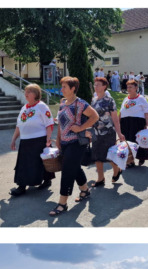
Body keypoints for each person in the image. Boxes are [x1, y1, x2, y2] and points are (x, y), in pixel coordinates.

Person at [49, 76, 98, 217]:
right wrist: (58, 139)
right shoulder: (63, 103)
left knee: (67, 171)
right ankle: (85, 190)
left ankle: (62, 203)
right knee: (74, 167)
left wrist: (81, 127)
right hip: (64, 142)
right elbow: (60, 123)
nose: (61, 89)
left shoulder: (81, 103)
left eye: (64, 87)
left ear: (73, 89)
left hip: (77, 142)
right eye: (62, 86)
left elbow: (94, 117)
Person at [7, 85, 55, 196]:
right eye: (25, 91)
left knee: (40, 163)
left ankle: (46, 181)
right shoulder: (24, 108)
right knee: (23, 165)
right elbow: (18, 126)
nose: (26, 94)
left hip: (39, 140)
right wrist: (13, 140)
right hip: (25, 141)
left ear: (35, 94)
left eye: (29, 91)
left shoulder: (42, 106)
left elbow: (49, 124)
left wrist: (48, 140)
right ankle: (22, 185)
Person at [90, 76, 126, 186]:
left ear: (104, 86)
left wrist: (119, 133)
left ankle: (117, 170)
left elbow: (115, 118)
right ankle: (100, 178)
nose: (95, 87)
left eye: (98, 85)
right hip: (96, 132)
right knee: (96, 155)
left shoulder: (109, 100)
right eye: (95, 84)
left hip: (108, 132)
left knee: (109, 155)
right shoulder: (94, 100)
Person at [119, 80, 148, 167]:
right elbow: (121, 112)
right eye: (128, 87)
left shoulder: (141, 98)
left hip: (137, 123)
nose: (129, 89)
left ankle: (141, 157)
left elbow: (147, 111)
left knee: (138, 141)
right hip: (125, 123)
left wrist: (147, 121)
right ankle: (130, 161)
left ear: (136, 88)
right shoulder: (126, 99)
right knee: (127, 142)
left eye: (131, 87)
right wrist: (118, 122)